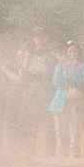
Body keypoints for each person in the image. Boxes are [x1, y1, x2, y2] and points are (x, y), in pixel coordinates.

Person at [17, 27, 55, 155]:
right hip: (31, 91)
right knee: (30, 121)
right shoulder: (28, 55)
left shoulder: (51, 55)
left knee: (49, 123)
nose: (39, 39)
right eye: (36, 36)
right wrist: (25, 61)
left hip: (46, 91)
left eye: (41, 36)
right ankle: (30, 151)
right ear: (33, 39)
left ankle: (50, 152)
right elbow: (22, 75)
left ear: (46, 38)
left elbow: (53, 73)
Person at [49, 40, 84, 157]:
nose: (72, 53)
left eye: (75, 51)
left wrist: (71, 79)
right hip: (60, 100)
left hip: (77, 99)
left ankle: (74, 154)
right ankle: (61, 154)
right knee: (60, 130)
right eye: (70, 51)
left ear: (79, 53)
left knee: (75, 129)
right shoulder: (60, 66)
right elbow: (55, 82)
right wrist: (65, 71)